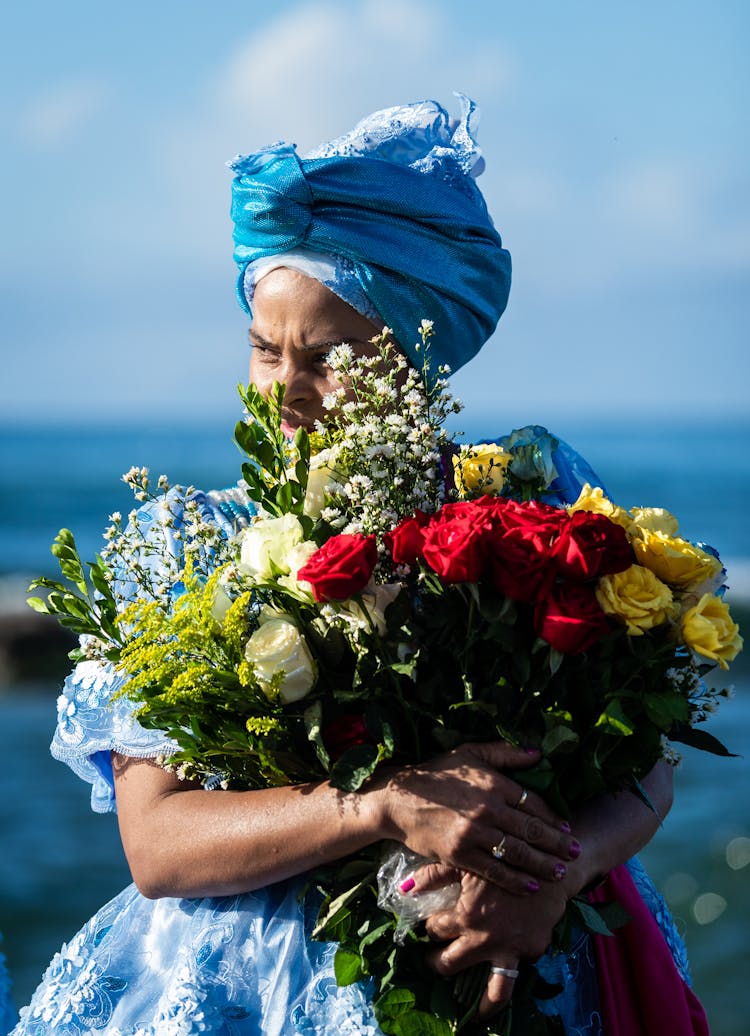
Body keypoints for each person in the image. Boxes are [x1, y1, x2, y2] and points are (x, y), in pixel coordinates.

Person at [12, 97, 701, 1035]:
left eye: (330, 358)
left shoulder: (537, 501)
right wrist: (383, 807)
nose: (287, 391)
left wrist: (559, 874)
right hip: (250, 988)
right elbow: (157, 844)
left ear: (421, 364)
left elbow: (646, 766)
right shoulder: (188, 543)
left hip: (525, 956)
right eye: (265, 350)